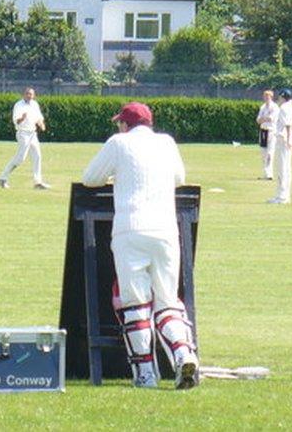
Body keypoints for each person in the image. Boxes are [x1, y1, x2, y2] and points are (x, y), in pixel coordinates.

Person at [82, 102, 198, 390]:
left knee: (134, 304)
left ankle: (145, 374)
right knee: (168, 301)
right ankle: (183, 353)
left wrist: (115, 176)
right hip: (166, 231)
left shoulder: (118, 143)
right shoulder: (167, 143)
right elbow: (179, 178)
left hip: (130, 230)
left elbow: (90, 178)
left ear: (125, 124)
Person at [0, 87, 50, 189]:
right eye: (27, 94)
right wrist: (22, 118)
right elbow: (16, 121)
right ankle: (2, 178)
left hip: (32, 133)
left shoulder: (35, 104)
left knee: (37, 156)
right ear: (24, 94)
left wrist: (41, 124)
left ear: (34, 95)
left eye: (31, 94)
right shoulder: (19, 105)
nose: (29, 96)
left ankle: (37, 182)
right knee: (20, 159)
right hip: (23, 133)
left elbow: (38, 117)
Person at [268, 89, 292, 204]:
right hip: (287, 139)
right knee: (286, 168)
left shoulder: (284, 108)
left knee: (282, 168)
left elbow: (288, 124)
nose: (278, 100)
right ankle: (284, 195)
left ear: (283, 97)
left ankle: (282, 196)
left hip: (283, 140)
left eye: (280, 97)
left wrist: (288, 139)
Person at [255, 90, 279, 180]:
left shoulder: (275, 107)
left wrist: (263, 119)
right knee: (263, 153)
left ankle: (270, 174)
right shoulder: (263, 107)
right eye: (264, 96)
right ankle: (265, 174)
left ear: (271, 97)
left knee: (270, 153)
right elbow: (258, 120)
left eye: (267, 96)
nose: (266, 98)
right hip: (263, 131)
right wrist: (264, 119)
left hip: (271, 132)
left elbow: (271, 118)